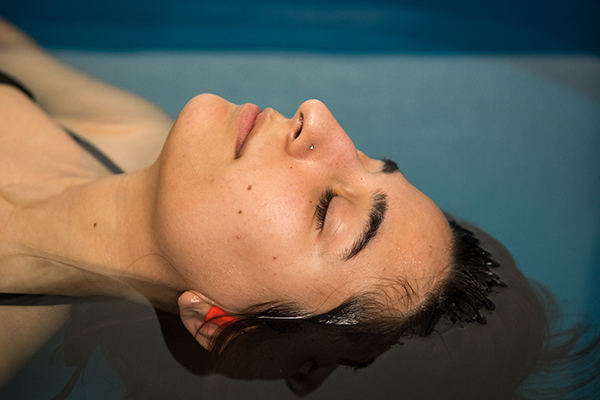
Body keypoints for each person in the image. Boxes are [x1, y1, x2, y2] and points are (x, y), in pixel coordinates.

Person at [1, 17, 598, 399]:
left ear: (220, 323)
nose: (319, 116)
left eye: (327, 211)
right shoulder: (123, 134)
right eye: (368, 160)